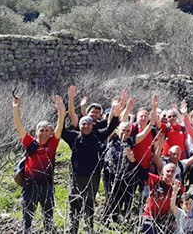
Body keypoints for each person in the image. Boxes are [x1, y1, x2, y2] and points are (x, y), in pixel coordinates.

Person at [62, 93, 124, 234]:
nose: (86, 126)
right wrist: (62, 113)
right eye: (83, 123)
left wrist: (115, 114)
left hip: (93, 176)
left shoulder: (97, 135)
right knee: (75, 204)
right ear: (80, 125)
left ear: (92, 125)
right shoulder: (74, 137)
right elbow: (62, 131)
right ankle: (73, 229)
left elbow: (110, 128)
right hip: (76, 177)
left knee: (89, 203)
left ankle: (89, 228)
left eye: (89, 124)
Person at [12, 94, 65, 234]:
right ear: (36, 132)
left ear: (50, 132)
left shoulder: (52, 144)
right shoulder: (30, 143)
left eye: (47, 131)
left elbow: (59, 127)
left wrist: (61, 111)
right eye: (41, 130)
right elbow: (19, 127)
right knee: (27, 219)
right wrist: (16, 109)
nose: (44, 133)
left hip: (46, 186)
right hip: (30, 187)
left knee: (48, 218)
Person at [103, 119, 153, 224]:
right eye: (123, 130)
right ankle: (105, 219)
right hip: (110, 174)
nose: (125, 133)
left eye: (128, 131)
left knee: (119, 197)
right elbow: (111, 124)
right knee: (111, 197)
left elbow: (144, 134)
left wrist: (152, 120)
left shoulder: (130, 141)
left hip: (123, 175)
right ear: (118, 130)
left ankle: (116, 219)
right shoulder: (112, 138)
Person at [141, 163, 184, 234]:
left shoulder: (178, 186)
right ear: (163, 173)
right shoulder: (157, 180)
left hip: (165, 219)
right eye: (168, 171)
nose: (170, 173)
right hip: (149, 216)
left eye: (173, 171)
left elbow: (181, 204)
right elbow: (142, 173)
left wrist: (174, 219)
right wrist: (133, 161)